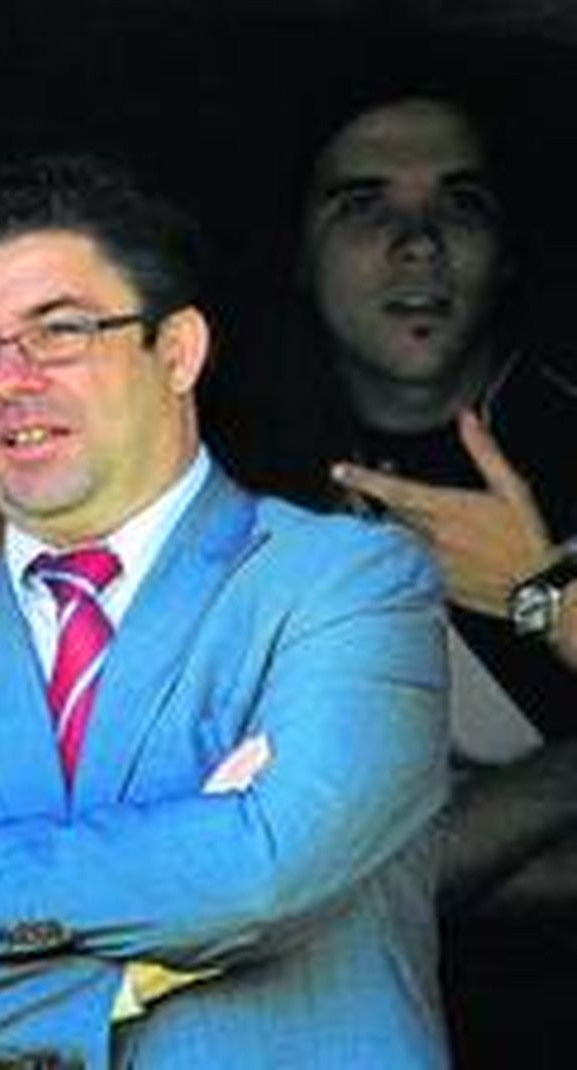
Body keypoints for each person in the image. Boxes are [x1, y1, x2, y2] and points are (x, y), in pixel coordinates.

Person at [0, 154, 451, 1067]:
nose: (10, 379)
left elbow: (269, 865)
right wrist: (125, 983)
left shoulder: (347, 582)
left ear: (177, 351)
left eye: (59, 332)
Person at [216, 89, 577, 1066]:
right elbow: (256, 875)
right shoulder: (228, 477)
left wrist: (540, 592)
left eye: (458, 204)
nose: (417, 244)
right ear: (296, 249)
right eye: (364, 204)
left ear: (506, 247)